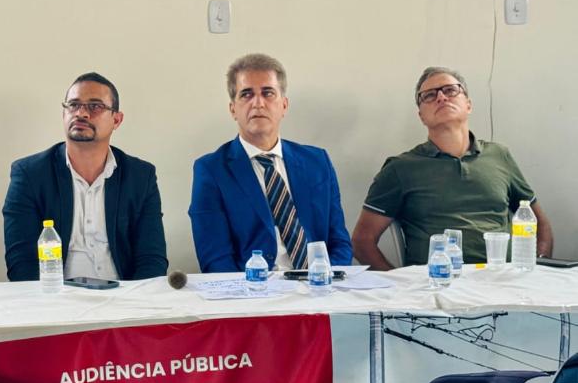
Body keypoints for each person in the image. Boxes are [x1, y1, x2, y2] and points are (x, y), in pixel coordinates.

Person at [351, 66, 553, 269]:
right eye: (429, 95)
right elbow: (362, 241)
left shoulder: (499, 155)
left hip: (502, 278)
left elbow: (538, 222)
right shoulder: (400, 168)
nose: (441, 97)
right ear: (421, 116)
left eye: (450, 90)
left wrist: (538, 269)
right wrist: (399, 284)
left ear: (468, 105)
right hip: (437, 282)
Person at [188, 53, 352, 272]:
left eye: (268, 93)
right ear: (233, 109)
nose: (258, 103)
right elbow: (215, 260)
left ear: (284, 105)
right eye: (246, 94)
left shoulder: (317, 162)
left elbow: (340, 242)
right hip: (253, 288)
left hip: (320, 284)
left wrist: (327, 281)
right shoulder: (212, 170)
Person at [2, 72, 167, 281]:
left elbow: (152, 259)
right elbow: (21, 264)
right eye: (73, 105)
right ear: (63, 114)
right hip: (55, 295)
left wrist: (132, 298)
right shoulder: (30, 174)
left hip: (123, 294)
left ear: (116, 120)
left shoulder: (140, 176)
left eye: (95, 106)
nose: (81, 113)